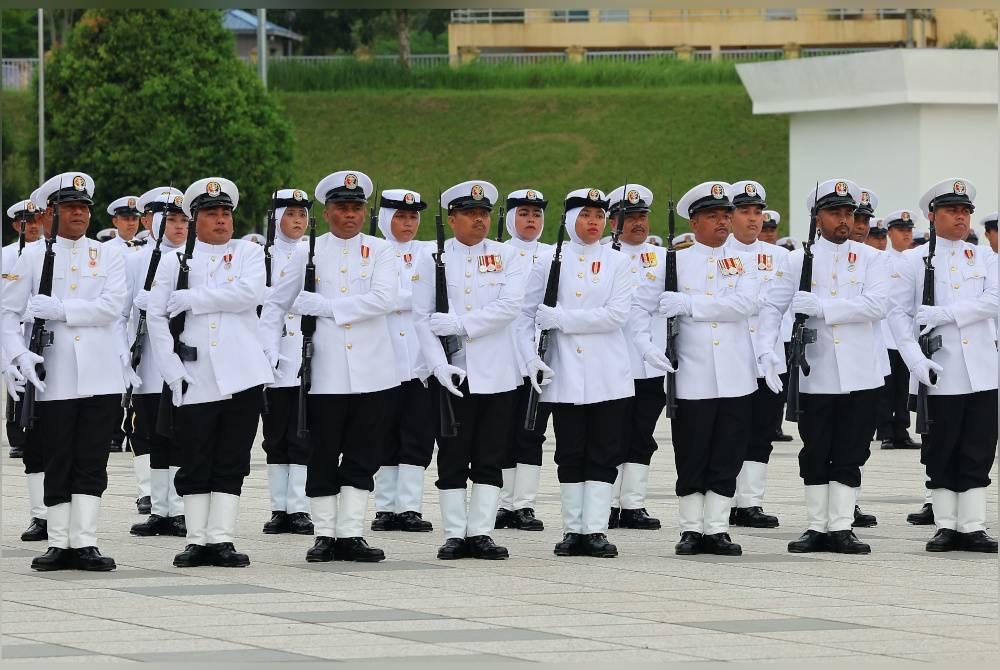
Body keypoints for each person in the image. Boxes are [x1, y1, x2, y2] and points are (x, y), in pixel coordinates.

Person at [262, 170, 399, 563]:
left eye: (357, 207)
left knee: (363, 452)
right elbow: (274, 305)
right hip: (324, 372)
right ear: (327, 210)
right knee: (322, 452)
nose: (350, 215)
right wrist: (270, 350)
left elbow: (384, 299)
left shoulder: (380, 250)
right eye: (342, 207)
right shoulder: (308, 251)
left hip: (374, 371)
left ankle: (351, 533)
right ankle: (324, 534)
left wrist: (327, 308)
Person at [2, 171, 127, 571]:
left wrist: (62, 311)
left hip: (101, 372)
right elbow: (7, 315)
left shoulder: (108, 254)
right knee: (56, 455)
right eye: (70, 207)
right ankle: (59, 542)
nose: (79, 214)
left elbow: (113, 306)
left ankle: (85, 541)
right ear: (50, 213)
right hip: (52, 374)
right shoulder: (30, 256)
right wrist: (17, 357)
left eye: (84, 207)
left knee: (91, 457)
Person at [757, 179, 889, 555]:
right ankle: (817, 525)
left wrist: (825, 310)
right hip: (815, 371)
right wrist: (766, 350)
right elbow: (772, 307)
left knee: (851, 448)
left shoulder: (871, 258)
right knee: (816, 449)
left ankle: (842, 526)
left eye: (849, 213)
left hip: (861, 371)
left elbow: (877, 305)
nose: (844, 220)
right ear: (818, 218)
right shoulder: (796, 259)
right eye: (835, 212)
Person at [147, 177, 274, 568]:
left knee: (232, 456)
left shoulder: (249, 255)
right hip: (193, 373)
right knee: (195, 455)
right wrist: (170, 370)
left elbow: (250, 295)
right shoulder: (174, 261)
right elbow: (155, 314)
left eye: (225, 214)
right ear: (195, 218)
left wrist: (195, 298)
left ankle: (221, 539)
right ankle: (196, 539)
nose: (220, 221)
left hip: (243, 373)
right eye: (211, 214)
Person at [635, 181, 760, 556]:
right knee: (691, 451)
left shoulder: (745, 261)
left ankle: (717, 527)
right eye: (712, 216)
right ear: (694, 221)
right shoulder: (671, 261)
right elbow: (639, 308)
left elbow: (745, 305)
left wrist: (690, 305)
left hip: (736, 374)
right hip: (691, 373)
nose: (722, 222)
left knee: (728, 451)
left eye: (726, 215)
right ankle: (691, 528)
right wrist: (646, 346)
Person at [519, 187, 640, 558]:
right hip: (564, 370)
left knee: (604, 450)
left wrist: (563, 319)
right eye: (586, 215)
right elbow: (526, 314)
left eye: (599, 217)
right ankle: (574, 529)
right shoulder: (548, 262)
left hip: (608, 372)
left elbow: (617, 316)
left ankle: (596, 529)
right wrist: (530, 357)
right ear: (570, 220)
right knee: (570, 452)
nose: (593, 223)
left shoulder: (618, 262)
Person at [412, 180, 525, 560]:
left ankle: (481, 533)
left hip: (497, 372)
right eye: (470, 213)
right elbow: (422, 317)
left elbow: (510, 306)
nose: (479, 220)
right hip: (454, 375)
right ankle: (455, 533)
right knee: (453, 454)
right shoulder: (433, 258)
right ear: (452, 218)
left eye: (484, 213)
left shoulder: (507, 255)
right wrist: (438, 363)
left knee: (491, 454)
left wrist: (461, 324)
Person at [888, 178, 997, 553]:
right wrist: (915, 361)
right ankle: (947, 524)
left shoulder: (985, 258)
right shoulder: (912, 261)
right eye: (952, 210)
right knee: (942, 446)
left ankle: (973, 525)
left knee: (979, 446)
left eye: (965, 211)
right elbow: (898, 316)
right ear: (932, 215)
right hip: (939, 369)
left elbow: (995, 301)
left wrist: (947, 313)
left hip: (982, 369)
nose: (961, 217)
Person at [369, 188, 437, 534]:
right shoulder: (371, 251)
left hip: (420, 360)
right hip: (383, 359)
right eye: (399, 216)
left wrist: (397, 300)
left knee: (417, 434)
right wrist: (410, 300)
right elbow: (374, 300)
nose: (407, 223)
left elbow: (437, 298)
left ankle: (409, 506)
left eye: (412, 217)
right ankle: (385, 507)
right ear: (385, 219)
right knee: (383, 433)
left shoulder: (428, 252)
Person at [725, 180, 789, 529]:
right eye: (745, 212)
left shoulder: (781, 258)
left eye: (757, 212)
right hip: (731, 355)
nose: (753, 219)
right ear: (730, 215)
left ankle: (750, 502)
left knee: (761, 429)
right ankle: (726, 498)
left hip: (769, 358)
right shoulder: (718, 254)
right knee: (730, 428)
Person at [125, 187, 189, 538]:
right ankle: (160, 509)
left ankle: (178, 508)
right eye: (171, 220)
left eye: (183, 221)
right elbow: (124, 312)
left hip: (180, 360)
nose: (178, 227)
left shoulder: (192, 259)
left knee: (177, 432)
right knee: (152, 434)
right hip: (147, 361)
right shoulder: (137, 259)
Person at [606, 183, 666, 531]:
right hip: (614, 361)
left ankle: (633, 503)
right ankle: (609, 502)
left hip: (649, 363)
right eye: (629, 217)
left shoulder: (663, 257)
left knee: (643, 433)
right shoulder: (604, 256)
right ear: (614, 220)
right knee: (613, 433)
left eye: (642, 216)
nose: (638, 223)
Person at [495, 188, 554, 533]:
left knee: (532, 431)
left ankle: (525, 505)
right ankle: (503, 503)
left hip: (540, 356)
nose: (531, 220)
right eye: (523, 214)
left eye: (536, 214)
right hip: (505, 354)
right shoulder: (497, 253)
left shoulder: (552, 255)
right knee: (503, 431)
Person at [258, 189, 315, 537]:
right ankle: (280, 507)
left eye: (302, 215)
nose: (297, 221)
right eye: (290, 214)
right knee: (275, 434)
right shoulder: (260, 254)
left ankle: (300, 506)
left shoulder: (314, 252)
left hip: (303, 354)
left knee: (302, 432)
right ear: (276, 218)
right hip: (272, 354)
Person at [2, 195, 46, 539]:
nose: (32, 227)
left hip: (48, 347)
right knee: (30, 434)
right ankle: (39, 514)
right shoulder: (5, 256)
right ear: (17, 225)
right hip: (18, 347)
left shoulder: (53, 253)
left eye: (37, 222)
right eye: (26, 223)